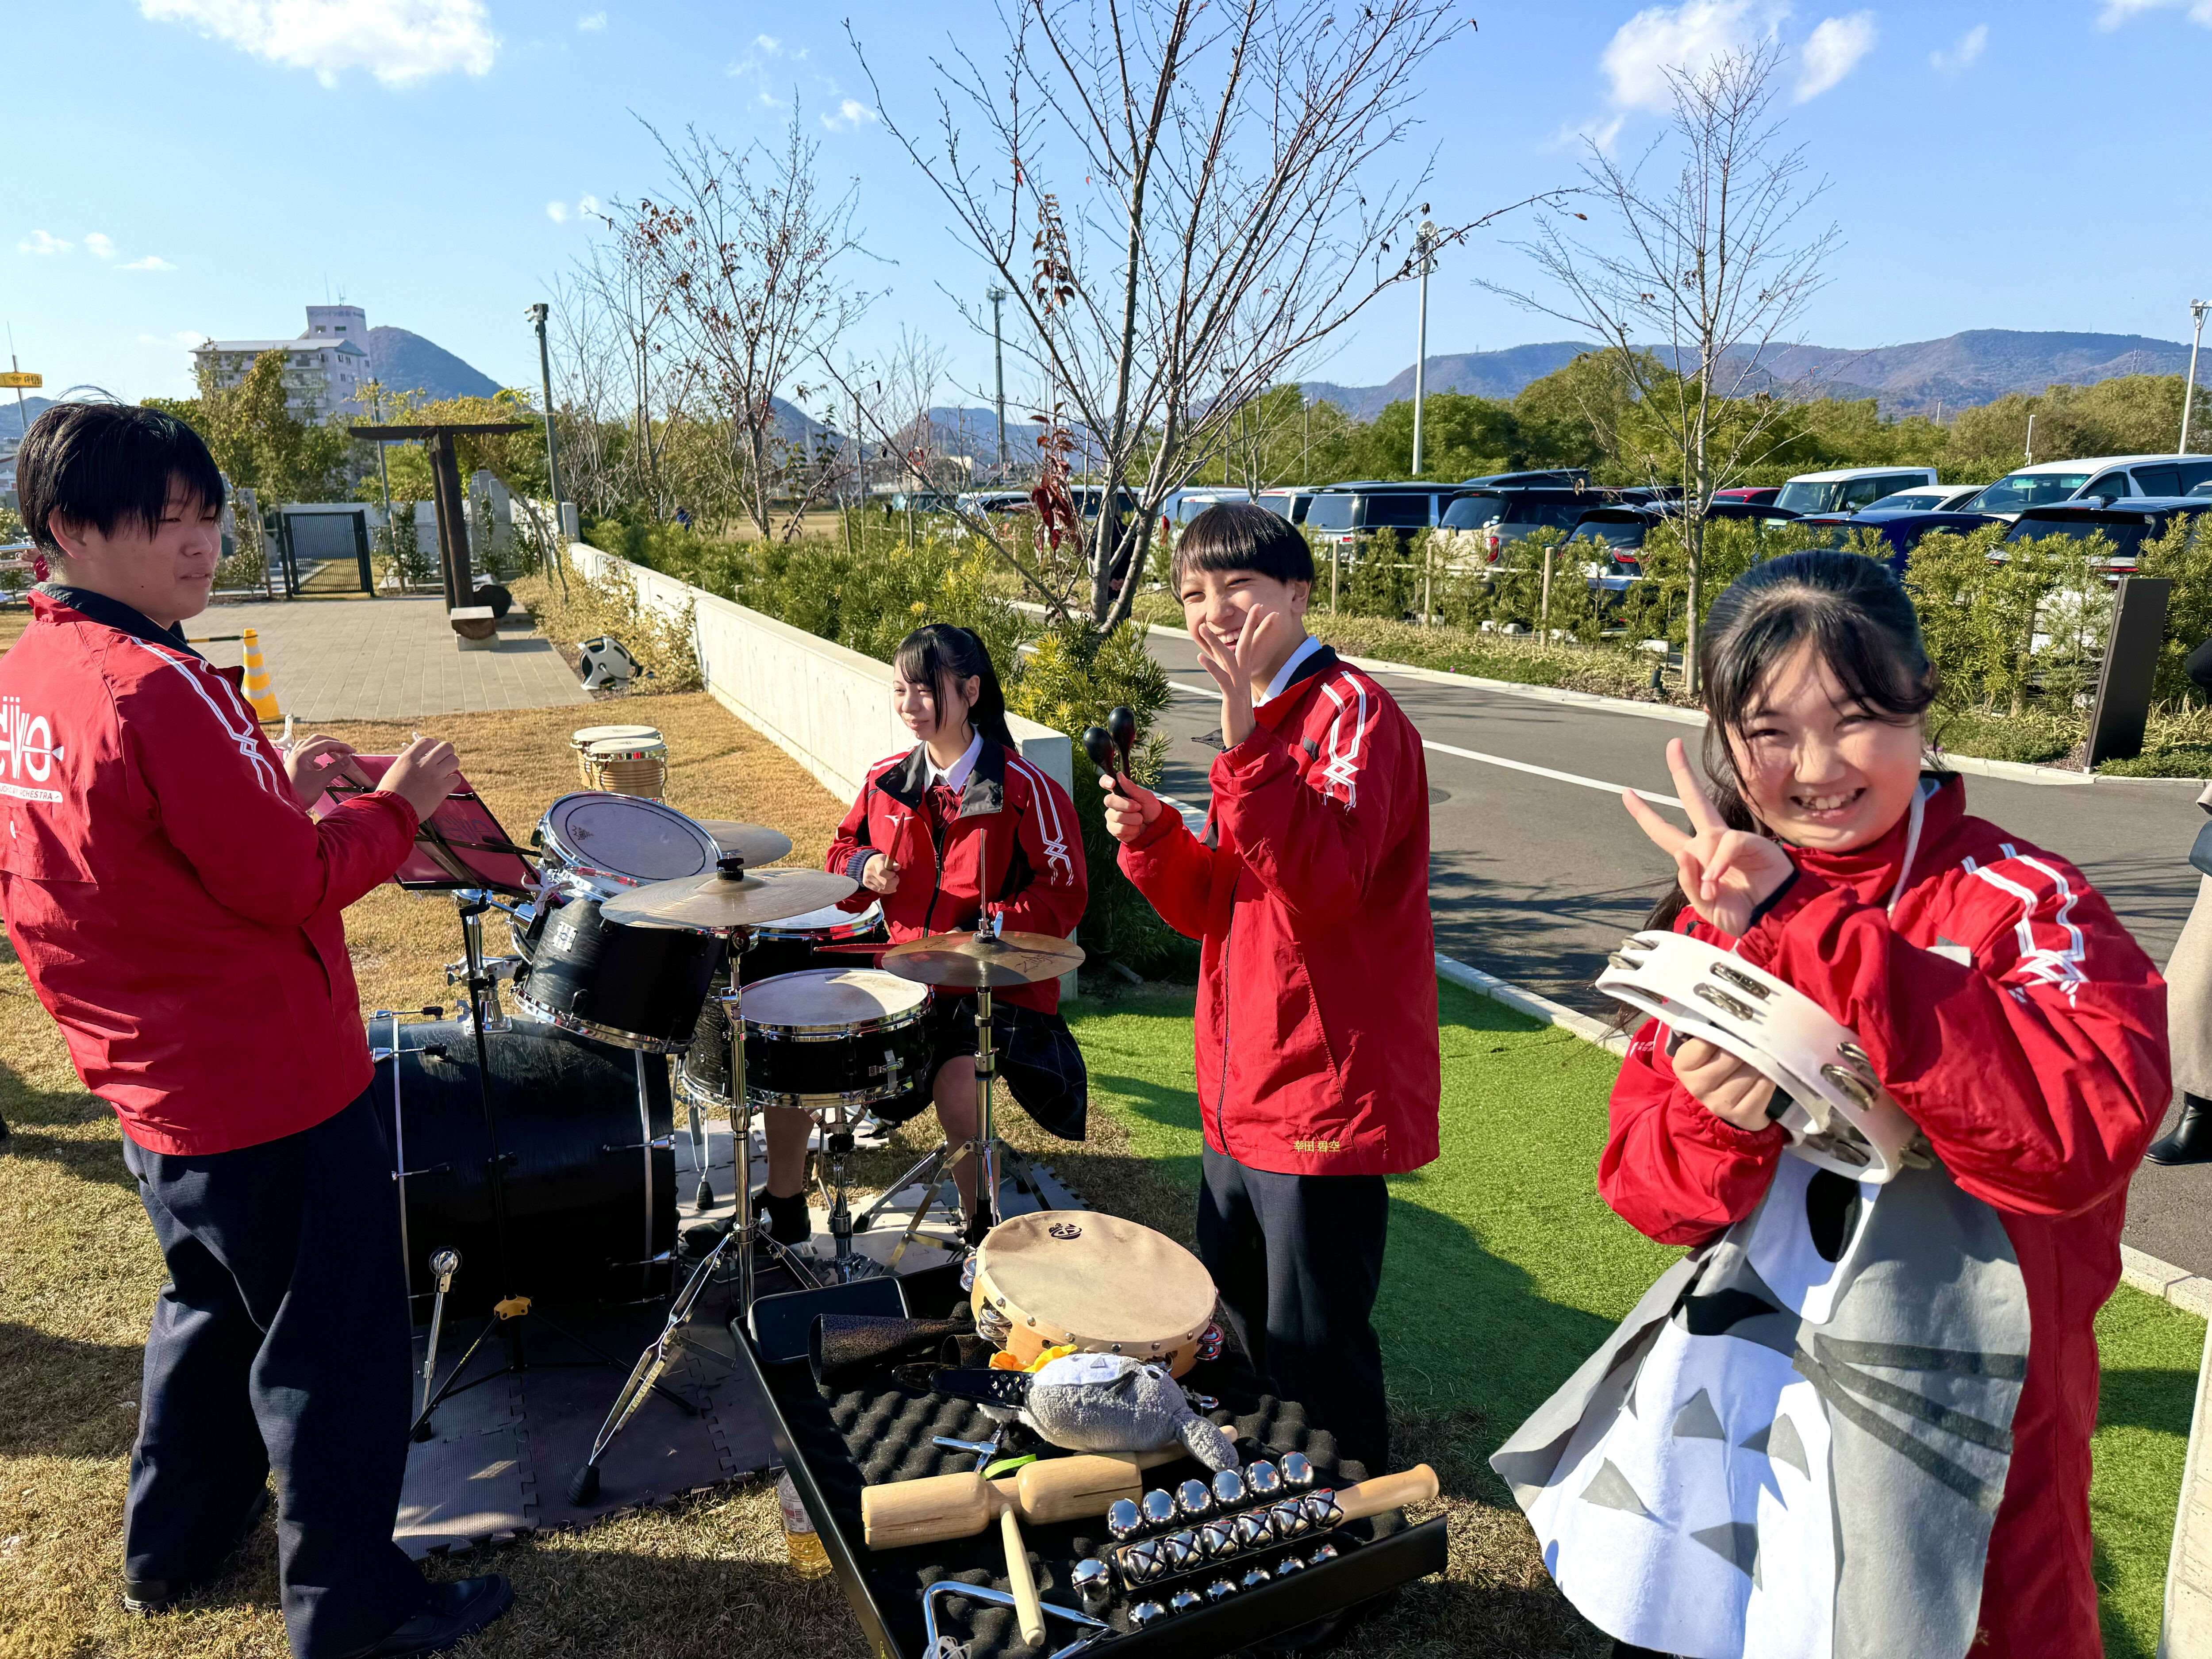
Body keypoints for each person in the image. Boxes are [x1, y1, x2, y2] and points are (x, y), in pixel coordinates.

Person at [1493, 552, 2166, 1659]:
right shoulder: (1718, 913)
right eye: (1769, 733)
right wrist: (1716, 1117)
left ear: (1920, 700)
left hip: (1973, 1428)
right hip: (1750, 1410)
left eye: (1853, 720)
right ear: (1724, 738)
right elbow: (1649, 1195)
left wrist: (1809, 927)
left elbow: (2077, 1141)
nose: (1815, 770)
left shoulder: (2022, 905)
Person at [0, 404, 514, 1659]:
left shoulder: (35, 675)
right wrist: (398, 807)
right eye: (163, 519)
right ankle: (354, 1609)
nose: (200, 543)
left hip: (155, 1078)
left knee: (210, 1310)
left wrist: (269, 783)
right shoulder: (153, 684)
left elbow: (125, 842)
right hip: (263, 1079)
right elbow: (291, 881)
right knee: (333, 1351)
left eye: (208, 514)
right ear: (71, 528)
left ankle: (171, 1546)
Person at [1098, 503, 1438, 1477]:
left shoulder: (1350, 712)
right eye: (1193, 594)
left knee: (1314, 1346)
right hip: (1239, 1081)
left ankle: (1350, 1517)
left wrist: (1244, 745)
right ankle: (1270, 1494)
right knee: (1240, 1325)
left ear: (1298, 592)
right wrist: (1156, 837)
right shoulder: (1263, 722)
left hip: (1320, 1088)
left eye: (1237, 586)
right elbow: (1219, 904)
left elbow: (1326, 887)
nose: (1213, 611)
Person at [783, 623, 1088, 1236]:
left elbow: (1064, 894)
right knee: (793, 1035)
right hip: (899, 974)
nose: (910, 705)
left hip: (989, 989)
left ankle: (982, 1228)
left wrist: (988, 927)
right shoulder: (885, 780)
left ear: (971, 691)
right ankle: (783, 1202)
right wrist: (865, 867)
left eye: (926, 690)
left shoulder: (1029, 790)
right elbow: (841, 853)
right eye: (900, 690)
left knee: (958, 1085)